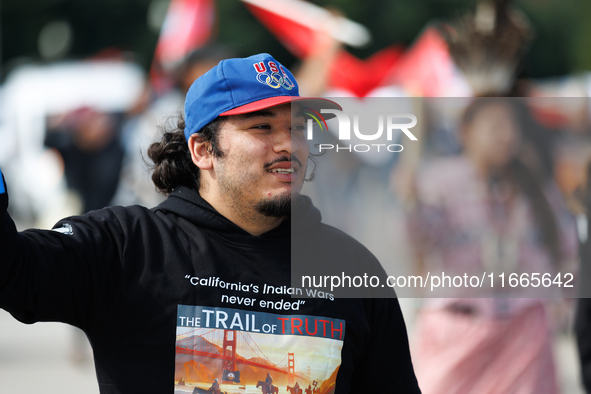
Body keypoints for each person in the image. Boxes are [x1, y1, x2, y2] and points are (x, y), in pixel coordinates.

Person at [0, 53, 420, 393]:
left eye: (296, 128)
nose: (287, 145)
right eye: (261, 127)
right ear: (202, 150)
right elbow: (14, 271)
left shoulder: (352, 267)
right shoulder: (129, 247)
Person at [403, 98, 577, 394]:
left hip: (524, 333)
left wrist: (565, 299)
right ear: (466, 132)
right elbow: (418, 237)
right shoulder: (439, 182)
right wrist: (409, 200)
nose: (506, 134)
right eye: (495, 125)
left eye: (511, 125)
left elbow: (565, 245)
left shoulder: (534, 184)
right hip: (458, 332)